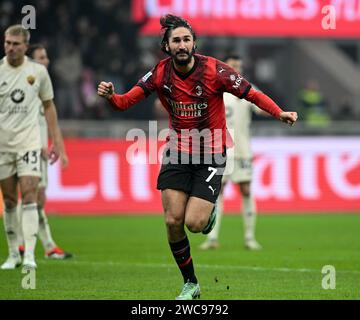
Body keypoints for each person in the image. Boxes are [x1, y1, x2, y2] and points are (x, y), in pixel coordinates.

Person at [97, 14, 298, 300]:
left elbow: (250, 92)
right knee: (172, 221)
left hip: (211, 153)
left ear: (193, 43)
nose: (182, 45)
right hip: (178, 151)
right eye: (176, 40)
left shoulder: (215, 70)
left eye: (187, 39)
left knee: (194, 223)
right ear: (166, 46)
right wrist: (111, 97)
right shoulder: (159, 73)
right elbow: (125, 102)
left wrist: (279, 112)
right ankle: (190, 283)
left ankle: (208, 214)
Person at [0, 25, 62, 269]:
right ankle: (13, 254)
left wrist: (55, 140)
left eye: (16, 43)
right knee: (9, 200)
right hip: (3, 144)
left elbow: (49, 106)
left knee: (29, 196)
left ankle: (29, 256)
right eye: (7, 42)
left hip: (29, 143)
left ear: (26, 46)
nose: (10, 47)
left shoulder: (37, 72)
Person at [199, 54, 267, 251]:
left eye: (238, 66)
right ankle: (212, 238)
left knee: (246, 190)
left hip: (243, 148)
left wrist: (274, 110)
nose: (236, 69)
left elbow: (262, 107)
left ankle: (249, 237)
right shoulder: (217, 89)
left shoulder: (248, 88)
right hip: (222, 149)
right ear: (224, 68)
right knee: (217, 191)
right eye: (232, 65)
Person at [15, 44, 73, 260]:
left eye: (46, 57)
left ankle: (45, 245)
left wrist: (57, 145)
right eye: (41, 57)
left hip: (39, 148)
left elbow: (48, 120)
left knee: (38, 197)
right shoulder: (25, 85)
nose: (46, 60)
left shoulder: (42, 85)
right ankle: (26, 244)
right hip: (27, 148)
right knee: (31, 195)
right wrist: (35, 143)